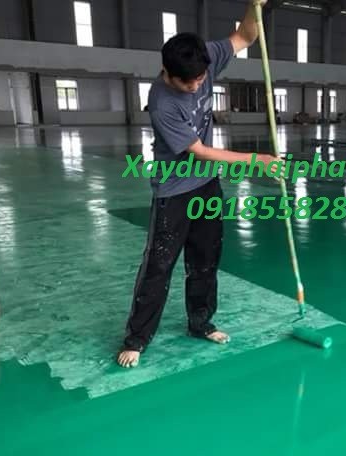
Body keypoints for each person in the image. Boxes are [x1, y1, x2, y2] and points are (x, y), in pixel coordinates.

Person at [117, 0, 278, 368]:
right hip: (173, 192)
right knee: (159, 266)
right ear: (167, 72)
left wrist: (254, 7)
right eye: (186, 82)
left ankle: (200, 323)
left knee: (206, 259)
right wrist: (257, 161)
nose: (194, 86)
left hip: (206, 186)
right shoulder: (162, 103)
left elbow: (245, 36)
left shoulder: (207, 57)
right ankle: (137, 338)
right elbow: (201, 152)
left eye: (201, 79)